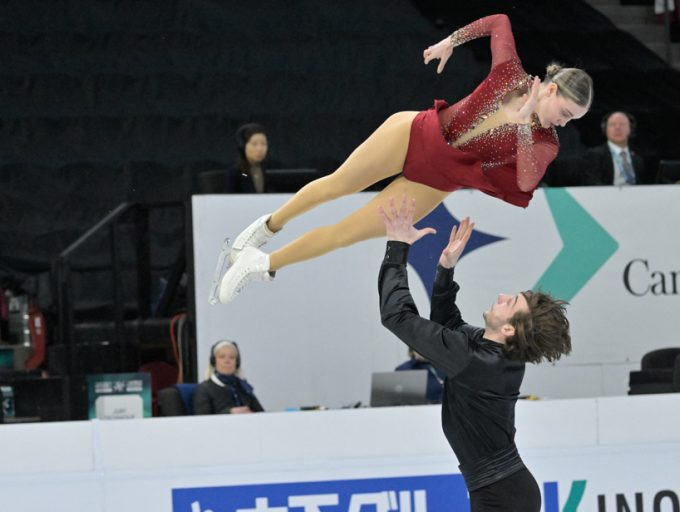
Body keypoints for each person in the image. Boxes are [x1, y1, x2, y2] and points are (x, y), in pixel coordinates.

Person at [214, 14, 593, 304]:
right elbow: (500, 21)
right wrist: (452, 40)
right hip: (412, 134)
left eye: (573, 120)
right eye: (566, 112)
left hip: (436, 181)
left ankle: (262, 264)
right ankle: (268, 227)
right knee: (337, 186)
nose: (565, 122)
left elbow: (527, 180)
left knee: (346, 234)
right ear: (552, 89)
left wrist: (526, 122)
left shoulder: (546, 141)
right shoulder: (509, 71)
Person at [378, 196, 572, 511]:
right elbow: (449, 325)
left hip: (504, 495)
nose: (501, 295)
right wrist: (445, 270)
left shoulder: (478, 361)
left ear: (510, 330)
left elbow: (396, 317)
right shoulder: (493, 354)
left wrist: (397, 248)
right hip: (505, 491)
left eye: (510, 302)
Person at [193, 340, 265, 414]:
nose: (227, 361)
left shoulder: (243, 387)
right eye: (222, 357)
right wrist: (230, 413)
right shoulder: (204, 389)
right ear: (214, 361)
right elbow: (202, 420)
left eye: (232, 357)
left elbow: (262, 414)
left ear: (237, 362)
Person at [581, 111, 646, 186]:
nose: (617, 128)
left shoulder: (637, 159)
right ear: (605, 129)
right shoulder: (594, 155)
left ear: (630, 129)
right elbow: (591, 183)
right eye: (612, 125)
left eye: (622, 124)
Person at [226, 123, 270, 194]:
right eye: (254, 144)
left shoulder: (270, 169)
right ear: (243, 147)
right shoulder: (236, 172)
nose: (260, 149)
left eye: (263, 144)